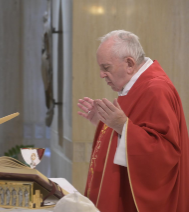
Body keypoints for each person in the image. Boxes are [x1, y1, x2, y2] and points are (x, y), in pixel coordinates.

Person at [77, 30, 189, 212]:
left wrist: (122, 125)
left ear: (129, 63)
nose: (101, 75)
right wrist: (103, 121)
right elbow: (132, 129)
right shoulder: (136, 86)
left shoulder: (156, 89)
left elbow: (166, 153)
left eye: (106, 68)